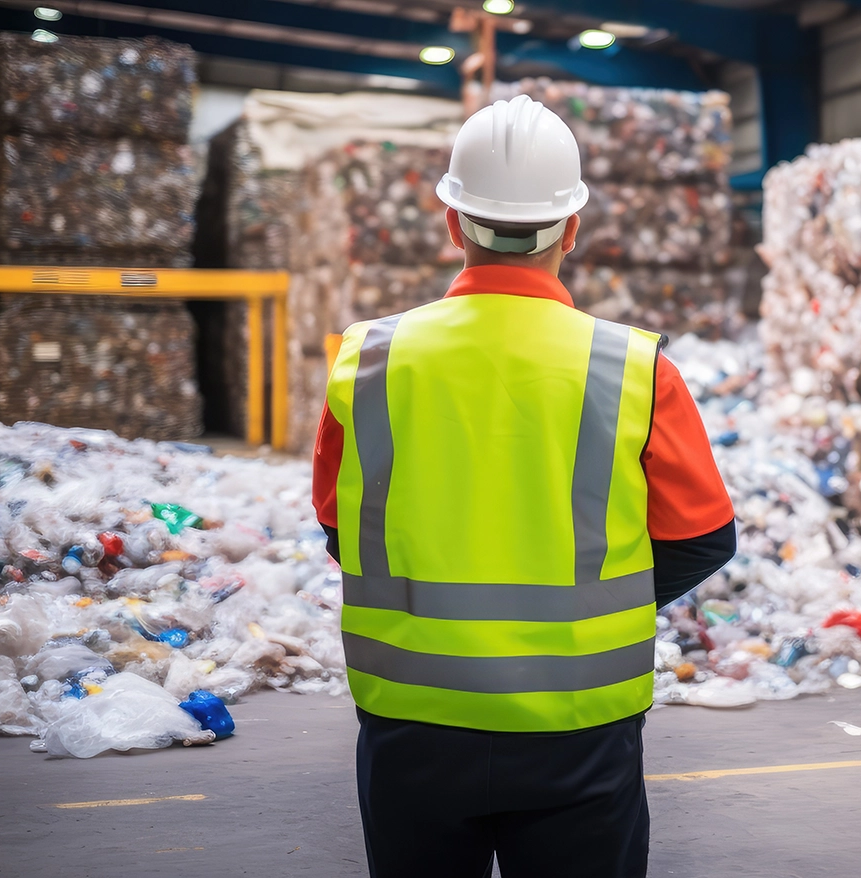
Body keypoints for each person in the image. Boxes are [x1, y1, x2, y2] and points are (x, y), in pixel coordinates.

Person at [311, 94, 736, 878]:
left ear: (453, 223)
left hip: (412, 721)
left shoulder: (367, 361)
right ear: (571, 229)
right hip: (579, 723)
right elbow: (703, 537)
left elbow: (343, 531)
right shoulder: (634, 368)